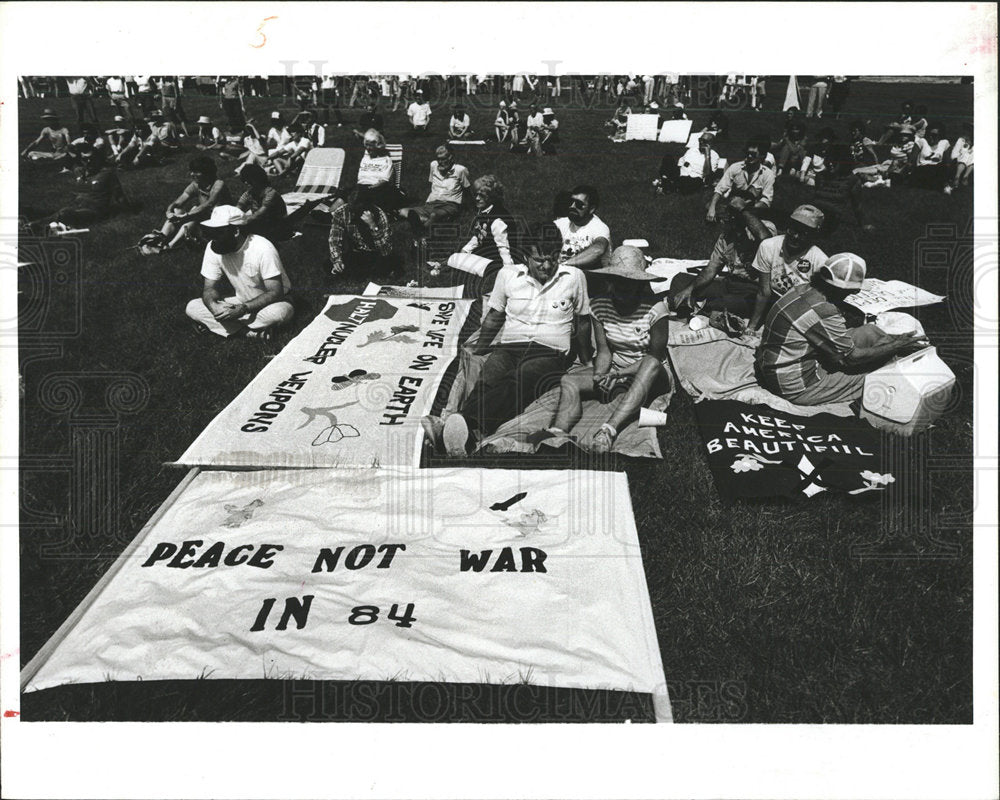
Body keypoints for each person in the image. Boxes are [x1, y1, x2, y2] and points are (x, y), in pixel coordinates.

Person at [440, 221, 593, 456]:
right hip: (509, 347)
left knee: (519, 379)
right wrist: (479, 350)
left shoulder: (574, 277)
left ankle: (465, 426)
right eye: (539, 260)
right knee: (487, 378)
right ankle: (464, 430)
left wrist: (586, 359)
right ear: (525, 257)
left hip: (549, 352)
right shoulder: (508, 275)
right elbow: (494, 317)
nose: (547, 266)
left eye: (553, 258)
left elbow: (582, 322)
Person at [531, 246, 671, 453]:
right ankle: (558, 432)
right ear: (610, 281)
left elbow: (655, 357)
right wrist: (600, 374)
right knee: (569, 380)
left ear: (640, 284)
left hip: (651, 374)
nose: (622, 287)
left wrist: (620, 374)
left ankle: (608, 430)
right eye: (617, 281)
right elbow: (604, 351)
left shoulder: (656, 309)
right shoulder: (599, 305)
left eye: (629, 282)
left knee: (650, 364)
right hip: (616, 370)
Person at [756, 253, 928, 405]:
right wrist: (896, 346)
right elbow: (851, 359)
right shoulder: (824, 311)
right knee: (882, 374)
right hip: (795, 386)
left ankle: (901, 345)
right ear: (839, 289)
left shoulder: (801, 288)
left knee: (869, 331)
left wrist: (894, 343)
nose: (852, 295)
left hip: (773, 365)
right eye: (851, 291)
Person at [185, 205, 294, 341]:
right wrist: (213, 306)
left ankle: (223, 327)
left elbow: (275, 292)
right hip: (242, 302)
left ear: (236, 231)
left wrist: (243, 309)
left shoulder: (263, 248)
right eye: (212, 232)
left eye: (218, 232)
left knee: (279, 313)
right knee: (192, 307)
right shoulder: (214, 247)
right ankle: (250, 333)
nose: (213, 238)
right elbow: (209, 288)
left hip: (274, 302)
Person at [669, 196, 777, 318]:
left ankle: (707, 310)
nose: (724, 221)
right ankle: (689, 309)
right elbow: (710, 270)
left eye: (731, 215)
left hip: (754, 289)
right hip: (730, 283)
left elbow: (766, 241)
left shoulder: (764, 227)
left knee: (720, 304)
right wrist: (690, 288)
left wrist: (743, 210)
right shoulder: (726, 237)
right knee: (680, 281)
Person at [747, 204, 828, 330]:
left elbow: (819, 304)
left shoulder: (820, 261)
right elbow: (764, 291)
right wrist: (751, 327)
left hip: (801, 311)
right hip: (772, 302)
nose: (796, 237)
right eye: (793, 230)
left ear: (814, 235)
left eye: (804, 233)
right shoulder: (769, 246)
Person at [445, 174, 522, 296]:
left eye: (482, 196)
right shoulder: (484, 211)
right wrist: (465, 250)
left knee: (455, 260)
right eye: (476, 195)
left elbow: (504, 248)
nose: (477, 198)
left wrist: (508, 272)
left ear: (492, 197)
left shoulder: (498, 219)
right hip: (487, 256)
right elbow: (478, 235)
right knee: (455, 258)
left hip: (498, 262)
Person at [28, 144, 129, 232]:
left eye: (91, 158)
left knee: (65, 213)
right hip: (77, 207)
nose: (88, 161)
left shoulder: (107, 174)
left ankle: (38, 227)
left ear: (98, 158)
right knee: (59, 213)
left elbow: (119, 196)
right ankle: (33, 226)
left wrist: (129, 211)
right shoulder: (81, 172)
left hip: (94, 211)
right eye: (85, 159)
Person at [158, 155, 232, 250]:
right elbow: (178, 202)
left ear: (207, 173)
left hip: (222, 223)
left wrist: (187, 215)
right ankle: (160, 239)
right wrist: (169, 211)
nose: (192, 174)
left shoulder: (218, 184)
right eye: (192, 171)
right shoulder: (195, 185)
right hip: (206, 220)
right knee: (177, 210)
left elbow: (209, 204)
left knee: (195, 212)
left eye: (196, 172)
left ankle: (171, 245)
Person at [398, 144, 471, 237]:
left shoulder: (460, 170)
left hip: (449, 205)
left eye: (443, 159)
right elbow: (432, 184)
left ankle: (421, 230)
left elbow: (467, 189)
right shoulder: (433, 165)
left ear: (451, 158)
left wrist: (471, 207)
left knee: (434, 215)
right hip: (431, 204)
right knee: (402, 211)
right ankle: (428, 221)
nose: (440, 162)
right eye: (438, 159)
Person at [327, 185, 395, 277]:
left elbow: (385, 250)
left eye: (358, 209)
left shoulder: (379, 214)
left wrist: (373, 225)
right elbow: (334, 239)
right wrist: (337, 260)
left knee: (386, 265)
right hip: (356, 253)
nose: (354, 213)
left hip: (376, 253)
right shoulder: (341, 212)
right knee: (329, 265)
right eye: (352, 208)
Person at [705, 139, 775, 221]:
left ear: (762, 156)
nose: (749, 156)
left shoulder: (768, 174)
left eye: (753, 154)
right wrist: (712, 208)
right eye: (747, 153)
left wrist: (744, 206)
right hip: (734, 203)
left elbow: (766, 201)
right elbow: (719, 189)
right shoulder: (735, 167)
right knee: (709, 205)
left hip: (753, 208)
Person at [553, 185, 611, 270]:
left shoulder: (599, 227)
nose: (572, 206)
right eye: (571, 202)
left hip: (591, 274)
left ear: (591, 209)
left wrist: (564, 265)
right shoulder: (561, 223)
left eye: (579, 204)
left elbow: (598, 249)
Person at [235, 162, 296, 242]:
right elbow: (237, 209)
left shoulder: (270, 193)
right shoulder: (248, 194)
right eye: (244, 180)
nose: (246, 182)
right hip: (263, 223)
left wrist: (242, 221)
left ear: (258, 179)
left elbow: (259, 214)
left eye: (249, 180)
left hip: (277, 225)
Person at [656, 131, 722, 194]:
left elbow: (708, 174)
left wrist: (707, 156)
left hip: (695, 178)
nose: (701, 142)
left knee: (688, 183)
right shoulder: (692, 150)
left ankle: (667, 184)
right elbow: (680, 163)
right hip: (682, 173)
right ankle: (670, 183)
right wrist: (674, 171)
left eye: (704, 141)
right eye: (700, 140)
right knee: (668, 158)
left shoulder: (714, 156)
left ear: (710, 143)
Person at [910, 123, 951, 191]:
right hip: (922, 168)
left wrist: (947, 174)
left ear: (940, 135)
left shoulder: (944, 143)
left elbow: (947, 162)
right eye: (929, 134)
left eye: (934, 135)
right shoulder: (922, 141)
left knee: (940, 169)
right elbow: (912, 159)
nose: (930, 137)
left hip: (937, 169)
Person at [945, 124, 973, 194]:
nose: (967, 132)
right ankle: (959, 177)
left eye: (969, 130)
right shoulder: (961, 140)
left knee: (973, 155)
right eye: (966, 130)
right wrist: (962, 155)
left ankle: (964, 176)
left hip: (971, 161)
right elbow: (954, 154)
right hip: (960, 160)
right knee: (966, 155)